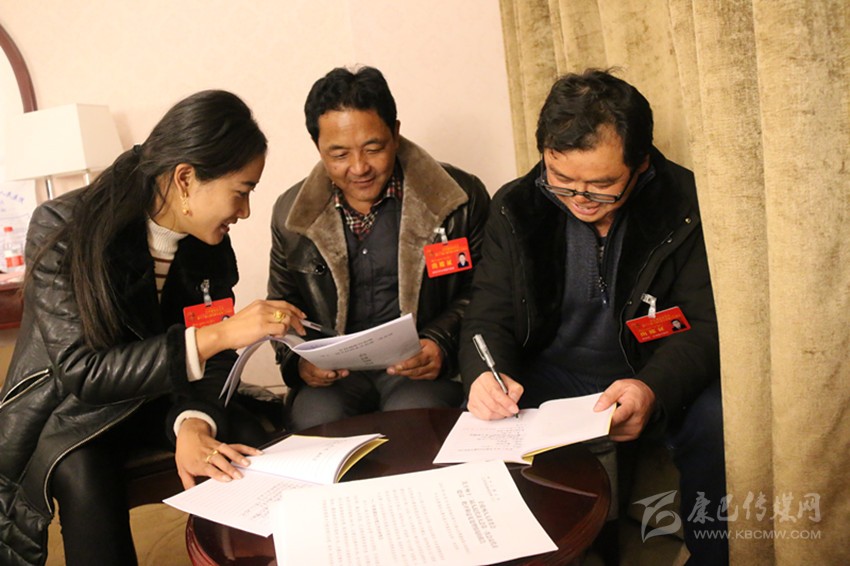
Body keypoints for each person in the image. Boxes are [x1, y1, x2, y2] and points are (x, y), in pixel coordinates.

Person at [0, 90, 306, 566]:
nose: (245, 211)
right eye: (241, 191)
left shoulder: (209, 241)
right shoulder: (66, 228)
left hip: (161, 396)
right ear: (185, 179)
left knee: (246, 436)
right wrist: (221, 334)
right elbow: (83, 371)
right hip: (74, 412)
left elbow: (214, 359)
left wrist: (193, 423)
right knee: (83, 472)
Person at [459, 70, 727, 565]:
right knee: (481, 432)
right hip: (550, 376)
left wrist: (652, 388)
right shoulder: (518, 206)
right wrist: (484, 375)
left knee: (717, 418)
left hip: (650, 369)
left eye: (602, 186)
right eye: (561, 181)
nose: (580, 200)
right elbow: (487, 316)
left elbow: (708, 325)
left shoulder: (685, 204)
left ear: (641, 163)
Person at [268, 66, 490, 431]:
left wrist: (440, 342)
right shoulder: (290, 213)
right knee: (315, 425)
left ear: (396, 133)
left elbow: (485, 290)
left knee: (416, 423)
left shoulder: (458, 199)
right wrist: (299, 363)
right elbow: (281, 304)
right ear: (318, 147)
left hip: (417, 370)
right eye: (339, 154)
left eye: (373, 149)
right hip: (336, 376)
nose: (359, 168)